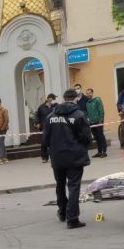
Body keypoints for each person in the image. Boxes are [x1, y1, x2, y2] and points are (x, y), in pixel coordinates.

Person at [41, 89, 92, 230]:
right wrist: (81, 147)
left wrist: (50, 150)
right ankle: (72, 218)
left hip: (57, 157)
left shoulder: (51, 116)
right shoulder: (79, 115)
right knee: (74, 186)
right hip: (74, 156)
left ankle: (62, 212)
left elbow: (45, 139)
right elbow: (86, 137)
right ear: (76, 98)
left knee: (60, 184)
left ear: (64, 98)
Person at [85, 87, 107, 158]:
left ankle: (104, 152)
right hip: (91, 122)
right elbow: (88, 113)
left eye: (89, 93)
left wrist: (101, 120)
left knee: (101, 136)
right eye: (87, 93)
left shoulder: (97, 100)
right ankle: (99, 152)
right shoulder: (87, 103)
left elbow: (101, 110)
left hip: (98, 121)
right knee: (96, 137)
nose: (88, 94)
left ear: (92, 93)